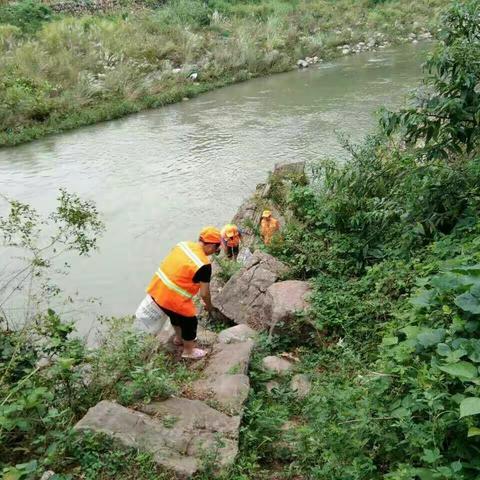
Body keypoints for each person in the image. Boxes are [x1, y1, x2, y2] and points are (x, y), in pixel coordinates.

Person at [145, 226, 221, 359]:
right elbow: (204, 294)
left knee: (174, 315)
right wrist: (209, 306)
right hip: (172, 298)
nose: (215, 252)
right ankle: (188, 351)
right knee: (190, 321)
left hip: (156, 290)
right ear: (211, 246)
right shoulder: (204, 265)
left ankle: (179, 339)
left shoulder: (182, 245)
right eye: (216, 249)